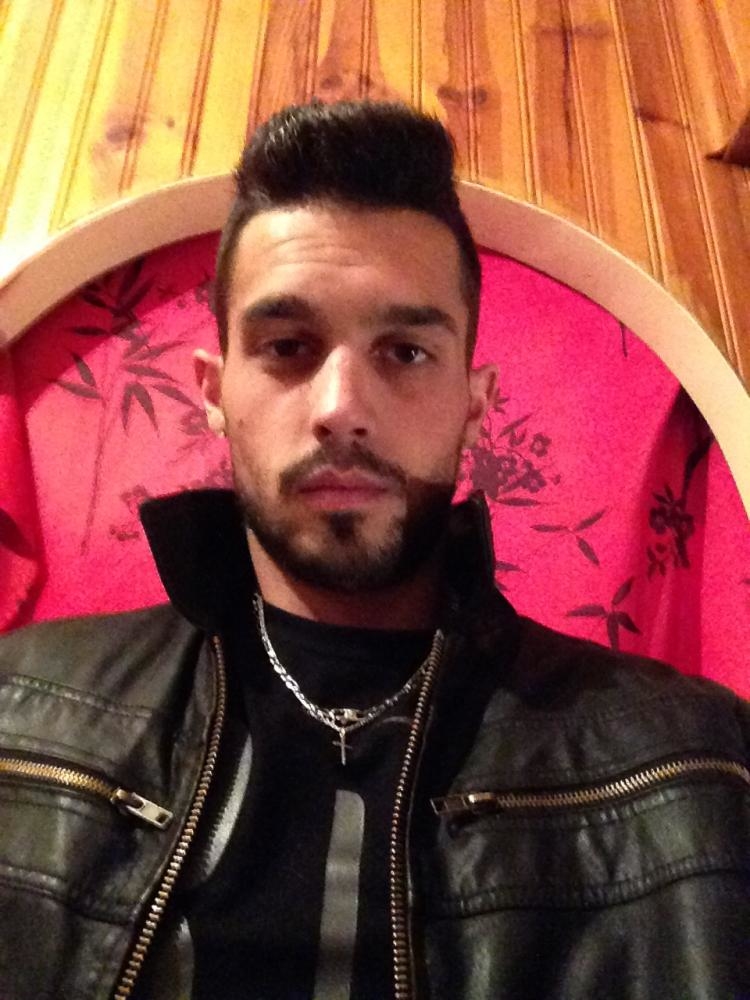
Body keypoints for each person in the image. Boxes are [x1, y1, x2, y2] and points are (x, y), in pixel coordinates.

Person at [0, 100, 748, 1000]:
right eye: (287, 347)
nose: (341, 407)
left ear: (475, 402)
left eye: (405, 352)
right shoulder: (19, 715)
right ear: (214, 392)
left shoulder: (694, 764)